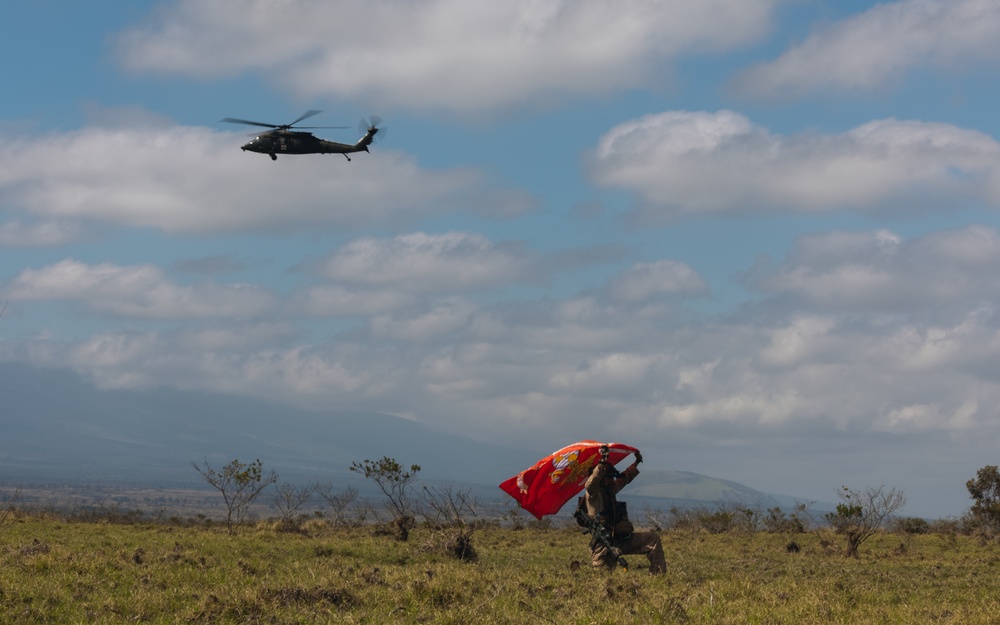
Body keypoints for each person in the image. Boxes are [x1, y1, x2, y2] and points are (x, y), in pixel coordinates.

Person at [583, 445, 666, 574]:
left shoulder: (610, 491)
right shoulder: (593, 493)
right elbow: (591, 483)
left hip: (620, 539)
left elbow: (624, 479)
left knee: (653, 539)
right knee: (603, 579)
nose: (612, 480)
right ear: (602, 478)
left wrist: (637, 462)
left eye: (612, 477)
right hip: (603, 545)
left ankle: (659, 576)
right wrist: (601, 463)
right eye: (609, 477)